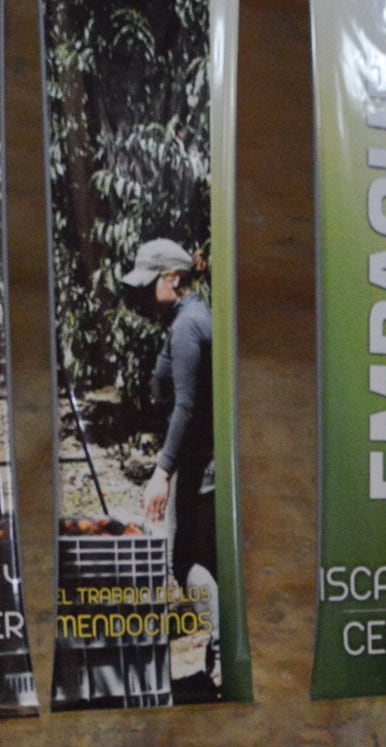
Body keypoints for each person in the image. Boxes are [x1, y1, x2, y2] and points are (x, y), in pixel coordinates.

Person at [122, 237, 219, 698]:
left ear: (173, 279)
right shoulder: (193, 317)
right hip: (203, 462)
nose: (142, 295)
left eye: (150, 283)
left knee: (188, 561)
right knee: (208, 561)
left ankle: (219, 660)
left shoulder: (187, 328)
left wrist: (162, 471)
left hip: (200, 465)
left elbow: (185, 407)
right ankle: (220, 660)